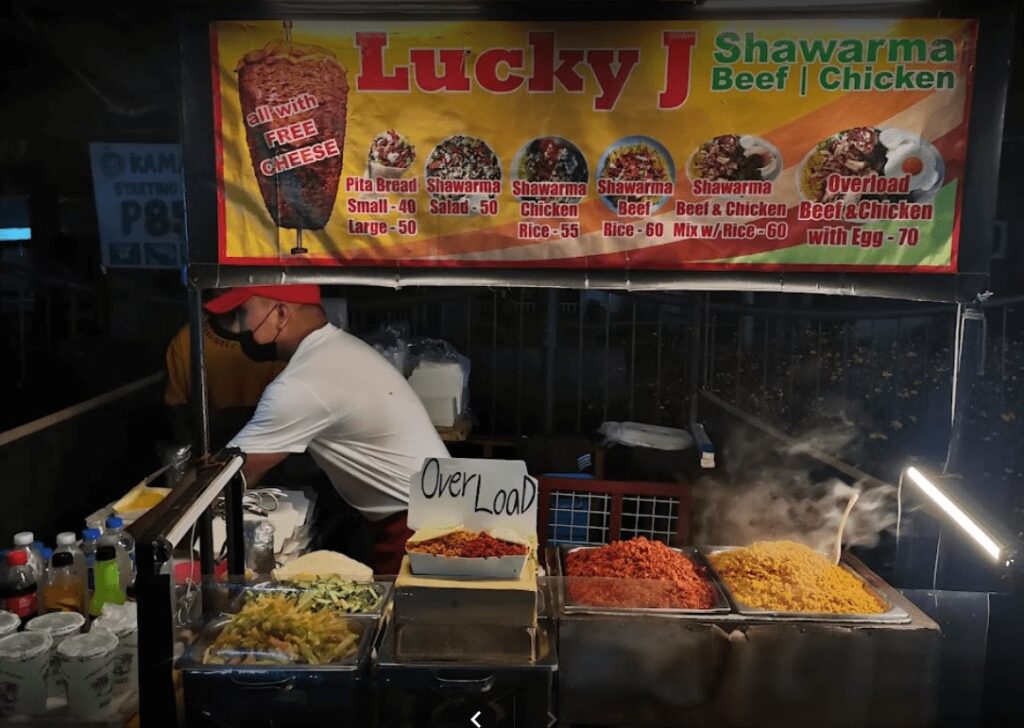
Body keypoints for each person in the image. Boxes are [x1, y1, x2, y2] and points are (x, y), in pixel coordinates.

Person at [205, 284, 449, 574]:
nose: (241, 331)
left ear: (281, 313)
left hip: (417, 530)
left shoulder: (303, 381)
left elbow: (235, 472)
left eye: (243, 316)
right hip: (431, 509)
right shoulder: (338, 348)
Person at [164, 305, 285, 448]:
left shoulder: (280, 339)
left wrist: (234, 419)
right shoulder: (188, 339)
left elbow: (289, 413)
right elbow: (177, 412)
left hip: (269, 449)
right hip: (212, 455)